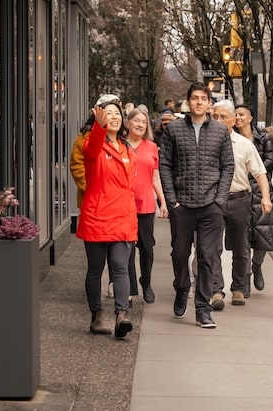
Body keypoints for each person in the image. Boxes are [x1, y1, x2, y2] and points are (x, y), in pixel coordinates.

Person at [158, 82, 234, 329]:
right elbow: (165, 165)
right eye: (195, 98)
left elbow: (227, 167)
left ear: (209, 102)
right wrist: (172, 200)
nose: (199, 102)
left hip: (211, 206)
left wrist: (220, 201)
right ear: (188, 102)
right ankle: (181, 288)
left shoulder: (220, 132)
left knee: (207, 256)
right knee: (179, 254)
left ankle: (203, 309)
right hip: (182, 205)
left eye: (203, 98)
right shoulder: (175, 130)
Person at [75, 97, 138, 340]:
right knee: (95, 269)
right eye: (108, 113)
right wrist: (99, 128)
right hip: (97, 215)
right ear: (98, 118)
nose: (113, 116)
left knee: (121, 267)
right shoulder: (92, 142)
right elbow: (92, 150)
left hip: (122, 215)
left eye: (117, 113)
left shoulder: (126, 148)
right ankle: (97, 316)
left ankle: (122, 315)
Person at [211, 100, 272, 307]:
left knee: (241, 247)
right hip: (213, 201)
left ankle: (237, 288)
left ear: (232, 120)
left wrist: (265, 197)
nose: (218, 121)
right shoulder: (204, 143)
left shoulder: (245, 145)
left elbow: (260, 172)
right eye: (215, 117)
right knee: (212, 247)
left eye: (222, 117)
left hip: (239, 199)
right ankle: (216, 290)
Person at [233, 104, 273, 296]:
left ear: (250, 118)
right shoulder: (230, 138)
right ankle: (245, 277)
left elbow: (270, 161)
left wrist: (252, 171)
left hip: (261, 189)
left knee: (264, 236)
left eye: (241, 114)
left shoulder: (263, 138)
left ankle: (257, 265)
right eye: (235, 114)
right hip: (240, 189)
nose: (237, 118)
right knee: (242, 237)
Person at [124, 105, 168, 304]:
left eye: (144, 122)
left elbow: (155, 177)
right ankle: (131, 288)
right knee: (127, 249)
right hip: (123, 205)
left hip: (146, 205)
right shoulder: (119, 144)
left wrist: (163, 201)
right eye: (136, 120)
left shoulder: (151, 147)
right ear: (128, 123)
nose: (140, 124)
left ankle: (146, 282)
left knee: (147, 248)